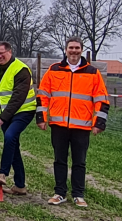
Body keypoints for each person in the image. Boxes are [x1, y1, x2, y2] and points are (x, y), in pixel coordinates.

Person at [36, 36, 110, 207]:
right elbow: (42, 96)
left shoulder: (92, 72)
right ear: (65, 49)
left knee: (79, 161)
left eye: (77, 48)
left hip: (81, 126)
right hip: (59, 125)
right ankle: (59, 193)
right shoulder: (54, 70)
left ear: (81, 50)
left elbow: (102, 99)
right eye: (71, 48)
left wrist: (99, 123)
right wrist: (41, 118)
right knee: (59, 160)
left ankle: (78, 194)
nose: (74, 51)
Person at [0, 41, 36, 195]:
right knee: (13, 146)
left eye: (2, 53)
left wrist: (2, 118)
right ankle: (20, 185)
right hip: (6, 112)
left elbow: (18, 98)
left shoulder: (21, 70)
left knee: (10, 136)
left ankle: (3, 173)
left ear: (10, 52)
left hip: (24, 111)